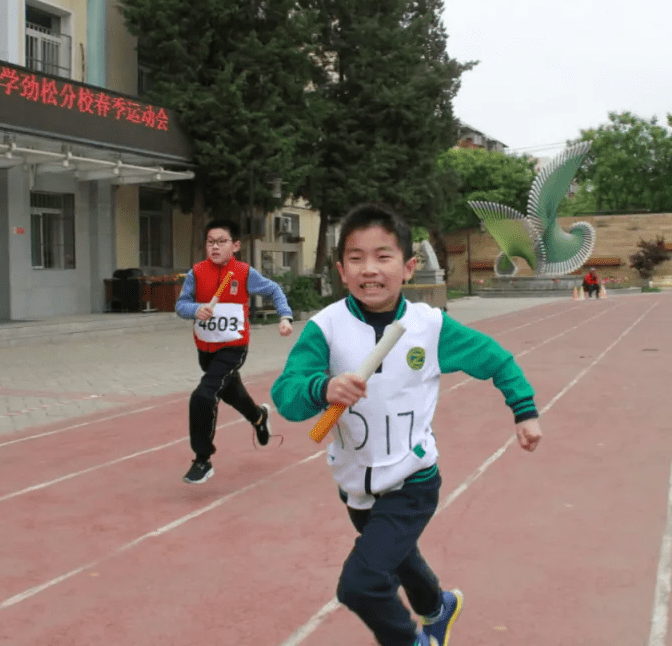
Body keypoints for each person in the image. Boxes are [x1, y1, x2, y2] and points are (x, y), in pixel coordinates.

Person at [272, 204, 543, 646]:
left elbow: (497, 359)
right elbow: (287, 395)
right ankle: (439, 608)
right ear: (342, 270)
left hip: (412, 479)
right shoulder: (326, 328)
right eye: (356, 259)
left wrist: (524, 410)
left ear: (409, 266)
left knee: (360, 586)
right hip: (356, 484)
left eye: (383, 256)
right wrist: (322, 388)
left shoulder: (428, 327)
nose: (370, 270)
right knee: (400, 561)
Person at [175, 219, 294, 484]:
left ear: (235, 245)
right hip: (206, 350)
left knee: (203, 396)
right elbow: (181, 304)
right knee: (232, 392)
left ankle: (203, 459)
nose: (215, 247)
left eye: (221, 241)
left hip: (234, 347)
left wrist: (284, 317)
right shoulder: (197, 272)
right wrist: (195, 309)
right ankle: (258, 416)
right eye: (210, 242)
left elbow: (274, 290)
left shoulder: (243, 272)